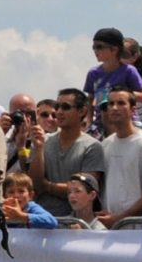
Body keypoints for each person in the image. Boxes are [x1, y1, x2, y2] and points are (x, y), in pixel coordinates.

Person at [90, 90, 142, 225]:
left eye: (121, 103)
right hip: (111, 229)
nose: (114, 108)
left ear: (133, 110)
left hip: (139, 230)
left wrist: (120, 219)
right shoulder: (106, 144)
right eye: (110, 103)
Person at [28, 88, 99, 220]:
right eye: (57, 107)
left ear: (82, 111)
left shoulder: (92, 147)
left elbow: (85, 189)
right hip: (41, 220)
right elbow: (34, 184)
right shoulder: (45, 141)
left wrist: (47, 186)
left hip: (75, 224)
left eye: (65, 107)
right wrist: (38, 149)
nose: (59, 112)